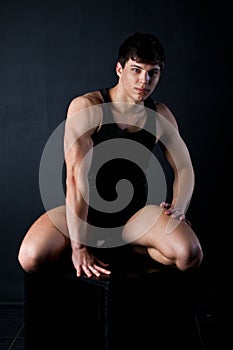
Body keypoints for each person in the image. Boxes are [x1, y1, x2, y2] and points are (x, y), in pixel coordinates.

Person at [18, 32, 203, 278]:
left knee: (189, 253)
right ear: (119, 68)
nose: (144, 81)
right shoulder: (88, 107)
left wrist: (179, 208)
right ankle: (93, 254)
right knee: (31, 257)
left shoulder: (159, 115)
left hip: (133, 218)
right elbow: (75, 178)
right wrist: (79, 246)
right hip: (84, 214)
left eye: (152, 73)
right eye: (136, 70)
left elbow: (184, 167)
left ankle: (131, 250)